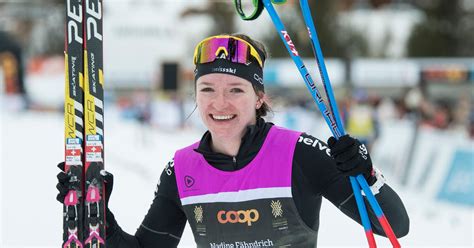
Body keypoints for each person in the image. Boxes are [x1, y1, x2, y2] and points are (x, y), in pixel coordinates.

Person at [56, 34, 409, 247]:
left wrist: (367, 174)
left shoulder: (299, 153)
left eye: (235, 90)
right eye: (207, 89)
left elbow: (395, 227)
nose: (219, 103)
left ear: (258, 98)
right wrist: (100, 217)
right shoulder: (181, 170)